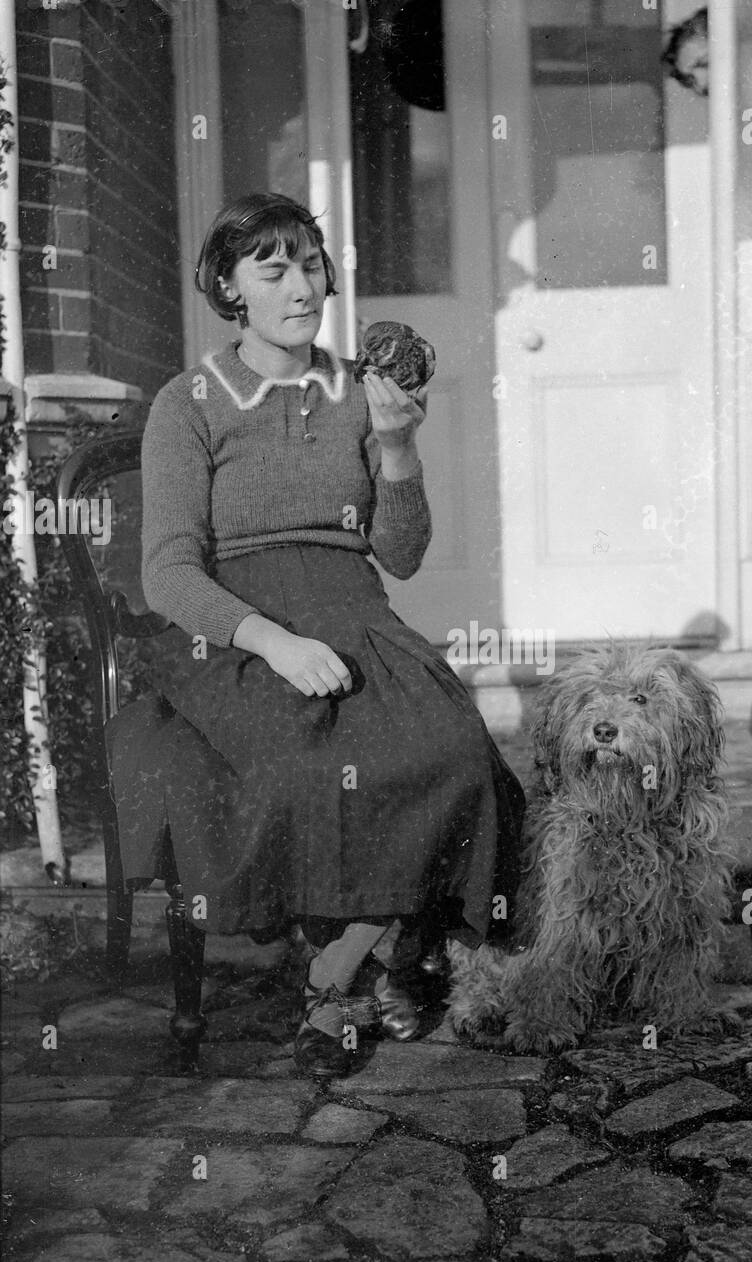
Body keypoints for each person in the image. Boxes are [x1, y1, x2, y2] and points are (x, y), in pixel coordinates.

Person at [126, 191, 524, 1079]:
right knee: (305, 767)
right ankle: (362, 982)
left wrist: (397, 449)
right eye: (272, 269)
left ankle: (336, 970)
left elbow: (404, 554)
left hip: (357, 608)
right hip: (235, 630)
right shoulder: (187, 402)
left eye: (310, 263)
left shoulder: (361, 391)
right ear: (230, 289)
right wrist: (271, 641)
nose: (301, 285)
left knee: (456, 756)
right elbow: (166, 572)